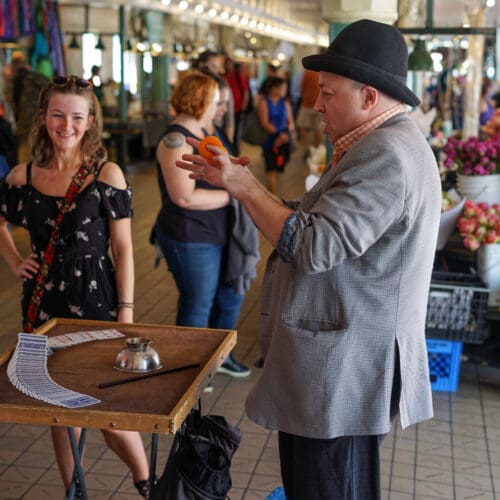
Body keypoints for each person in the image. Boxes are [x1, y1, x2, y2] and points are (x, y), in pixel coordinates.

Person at [176, 19, 442, 499]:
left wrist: (246, 188)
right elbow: (316, 219)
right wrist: (242, 187)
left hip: (343, 372)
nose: (316, 104)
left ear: (368, 96)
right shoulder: (381, 143)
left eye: (328, 92)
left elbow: (316, 245)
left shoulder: (386, 154)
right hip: (336, 368)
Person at [0, 75, 150, 498]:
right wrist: (14, 261)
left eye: (77, 117)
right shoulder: (23, 176)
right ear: (44, 117)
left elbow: (123, 249)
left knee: (105, 405)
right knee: (58, 408)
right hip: (42, 307)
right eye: (58, 115)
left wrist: (126, 311)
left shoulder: (107, 174)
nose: (66, 125)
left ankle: (147, 482)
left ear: (90, 122)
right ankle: (74, 492)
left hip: (96, 302)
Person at [153, 71, 251, 383]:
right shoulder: (176, 140)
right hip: (191, 237)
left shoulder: (208, 130)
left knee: (228, 297)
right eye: (216, 101)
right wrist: (236, 194)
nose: (221, 107)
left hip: (220, 232)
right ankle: (191, 370)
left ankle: (219, 357)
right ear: (199, 100)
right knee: (198, 303)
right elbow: (184, 197)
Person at [3, 51, 49, 164]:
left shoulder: (11, 83)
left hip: (24, 125)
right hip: (42, 122)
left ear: (13, 68)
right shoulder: (38, 78)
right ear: (27, 66)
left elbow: (9, 102)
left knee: (25, 156)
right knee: (41, 153)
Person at [257, 76, 294, 194]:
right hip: (270, 140)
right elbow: (264, 123)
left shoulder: (285, 102)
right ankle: (272, 196)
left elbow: (291, 122)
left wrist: (285, 135)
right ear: (274, 88)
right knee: (271, 169)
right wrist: (279, 135)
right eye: (283, 88)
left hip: (284, 139)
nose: (285, 91)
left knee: (278, 168)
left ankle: (271, 192)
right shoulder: (264, 102)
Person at [224, 57, 250, 155]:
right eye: (225, 63)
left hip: (237, 109)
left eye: (229, 63)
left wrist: (243, 108)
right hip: (226, 110)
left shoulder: (238, 76)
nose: (227, 66)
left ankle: (235, 151)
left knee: (237, 132)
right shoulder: (224, 76)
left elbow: (246, 92)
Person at [296, 69, 323, 150]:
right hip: (320, 105)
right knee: (317, 129)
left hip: (307, 104)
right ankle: (316, 149)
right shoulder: (323, 73)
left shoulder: (308, 73)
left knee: (302, 127)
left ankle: (307, 148)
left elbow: (301, 89)